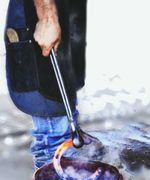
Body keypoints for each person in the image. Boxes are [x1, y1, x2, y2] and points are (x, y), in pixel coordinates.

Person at [5, 0, 104, 169]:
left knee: (65, 89)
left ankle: (68, 142)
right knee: (55, 143)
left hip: (64, 11)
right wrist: (47, 16)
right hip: (41, 13)